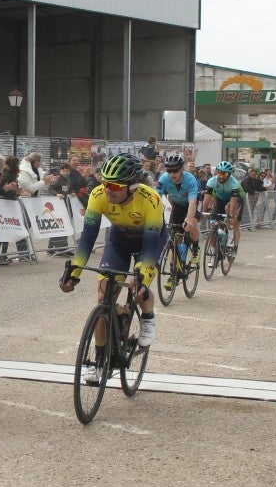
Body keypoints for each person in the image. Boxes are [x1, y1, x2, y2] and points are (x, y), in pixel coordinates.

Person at [60, 153, 165, 384]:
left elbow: (148, 250)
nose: (108, 189)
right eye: (105, 182)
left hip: (148, 241)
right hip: (119, 239)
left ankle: (147, 317)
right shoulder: (98, 195)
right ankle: (99, 360)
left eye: (115, 185)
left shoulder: (151, 200)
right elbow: (87, 239)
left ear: (133, 186)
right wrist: (73, 273)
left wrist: (143, 277)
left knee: (139, 288)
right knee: (103, 297)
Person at [156, 152, 201, 285]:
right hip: (177, 205)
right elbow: (156, 199)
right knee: (174, 239)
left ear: (181, 169)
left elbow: (193, 202)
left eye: (175, 170)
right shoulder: (163, 179)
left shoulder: (190, 179)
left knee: (191, 223)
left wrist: (189, 219)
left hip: (192, 203)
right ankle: (173, 274)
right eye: (169, 171)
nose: (172, 174)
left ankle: (196, 248)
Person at [203, 161, 243, 253]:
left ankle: (230, 239)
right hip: (220, 200)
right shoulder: (212, 181)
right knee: (213, 225)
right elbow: (207, 198)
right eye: (219, 172)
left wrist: (231, 216)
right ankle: (213, 252)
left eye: (224, 173)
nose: (221, 176)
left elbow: (233, 202)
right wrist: (204, 212)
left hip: (234, 200)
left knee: (230, 215)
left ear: (229, 174)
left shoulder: (234, 183)